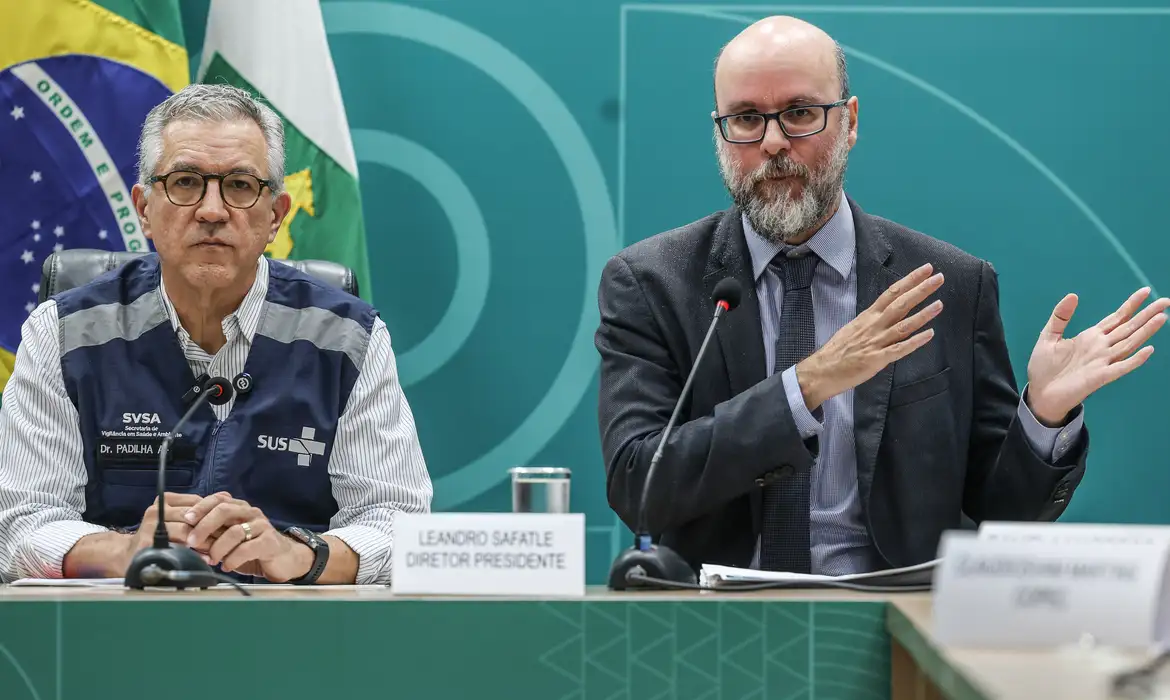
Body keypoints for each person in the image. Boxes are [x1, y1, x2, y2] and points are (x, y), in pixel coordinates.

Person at [594, 16, 1169, 575]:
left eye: (799, 113)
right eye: (746, 119)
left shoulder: (950, 285)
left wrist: (1043, 414)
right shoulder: (652, 283)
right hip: (717, 621)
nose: (773, 142)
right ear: (719, 130)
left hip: (894, 617)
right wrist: (807, 385)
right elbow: (638, 486)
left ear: (849, 121)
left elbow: (1002, 515)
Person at [0, 84, 433, 585]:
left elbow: (400, 527)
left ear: (276, 216)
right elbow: (16, 527)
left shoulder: (347, 338)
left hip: (292, 623)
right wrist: (124, 551)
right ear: (144, 209)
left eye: (240, 185)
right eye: (185, 182)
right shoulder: (63, 333)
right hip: (119, 623)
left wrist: (299, 554)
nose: (211, 210)